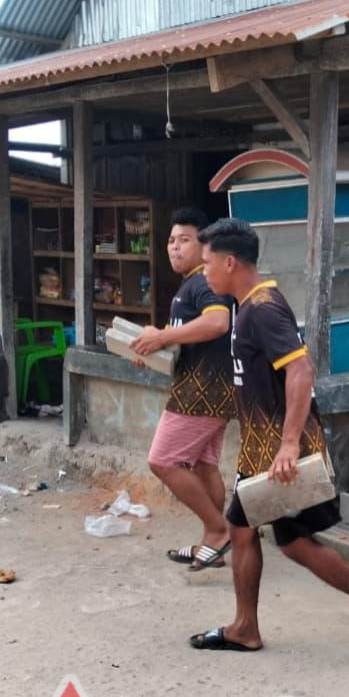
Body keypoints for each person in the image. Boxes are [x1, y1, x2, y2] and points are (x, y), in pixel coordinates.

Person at [187, 217, 349, 659]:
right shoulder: (247, 306)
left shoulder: (262, 308)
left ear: (230, 262)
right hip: (261, 451)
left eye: (207, 263)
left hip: (282, 454)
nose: (204, 272)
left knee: (294, 542)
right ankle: (245, 627)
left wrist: (289, 444)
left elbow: (301, 369)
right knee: (243, 527)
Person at [128, 208, 237, 571]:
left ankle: (218, 531)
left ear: (204, 245)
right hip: (213, 384)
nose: (174, 247)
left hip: (203, 387)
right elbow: (192, 336)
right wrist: (156, 347)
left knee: (163, 460)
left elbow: (218, 322)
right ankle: (213, 542)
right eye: (171, 241)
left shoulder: (204, 281)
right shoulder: (190, 285)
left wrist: (162, 335)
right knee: (205, 465)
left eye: (184, 240)